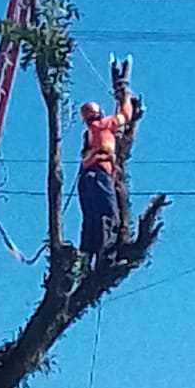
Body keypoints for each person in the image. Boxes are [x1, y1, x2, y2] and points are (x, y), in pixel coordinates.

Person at [77, 84, 133, 265]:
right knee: (108, 215)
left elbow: (84, 157)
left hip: (86, 179)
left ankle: (84, 260)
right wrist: (125, 98)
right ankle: (107, 258)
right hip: (99, 174)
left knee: (91, 219)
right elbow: (125, 116)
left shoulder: (88, 135)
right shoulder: (104, 125)